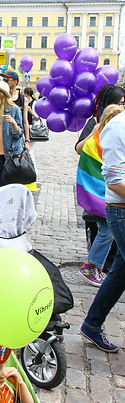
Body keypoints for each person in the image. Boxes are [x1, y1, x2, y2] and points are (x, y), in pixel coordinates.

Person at [80, 107, 125, 353]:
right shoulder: (118, 127)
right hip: (121, 210)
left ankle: (92, 324)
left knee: (119, 272)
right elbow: (115, 180)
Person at [75, 85, 125, 287]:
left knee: (107, 229)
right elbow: (80, 149)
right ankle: (93, 265)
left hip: (108, 185)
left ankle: (102, 267)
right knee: (104, 229)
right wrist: (94, 132)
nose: (122, 107)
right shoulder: (96, 123)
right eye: (119, 103)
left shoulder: (119, 125)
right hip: (98, 184)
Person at [0, 71, 30, 145]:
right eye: (3, 79)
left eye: (6, 80)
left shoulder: (23, 99)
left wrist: (27, 140)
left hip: (17, 137)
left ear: (15, 82)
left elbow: (25, 121)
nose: (4, 82)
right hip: (2, 136)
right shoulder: (1, 98)